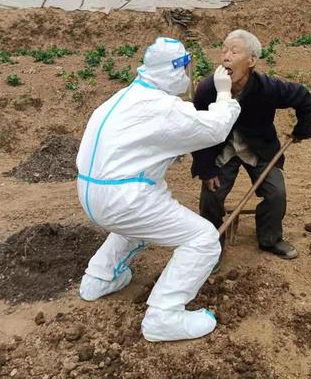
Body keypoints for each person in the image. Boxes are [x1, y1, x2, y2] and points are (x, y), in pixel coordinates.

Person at [76, 37, 240, 342]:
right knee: (203, 239)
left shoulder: (122, 97)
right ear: (177, 70)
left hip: (92, 196)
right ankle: (164, 316)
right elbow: (216, 128)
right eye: (187, 69)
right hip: (125, 199)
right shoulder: (162, 108)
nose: (189, 75)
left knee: (132, 225)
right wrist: (225, 93)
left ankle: (98, 278)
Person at [192, 29, 311, 272]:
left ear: (251, 61)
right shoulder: (208, 90)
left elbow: (302, 96)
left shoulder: (267, 88)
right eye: (224, 50)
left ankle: (270, 239)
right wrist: (206, 169)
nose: (226, 56)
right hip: (221, 150)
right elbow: (197, 131)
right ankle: (213, 246)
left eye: (234, 51)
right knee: (211, 196)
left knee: (276, 192)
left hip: (258, 149)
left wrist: (302, 128)